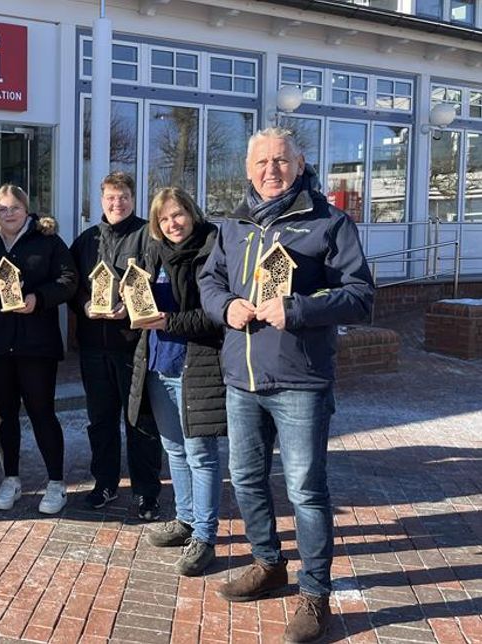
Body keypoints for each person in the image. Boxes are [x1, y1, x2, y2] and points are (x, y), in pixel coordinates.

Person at [198, 127, 374, 644]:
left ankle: (315, 592)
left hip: (301, 381)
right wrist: (226, 307)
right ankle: (268, 563)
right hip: (242, 379)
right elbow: (210, 282)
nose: (270, 170)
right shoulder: (233, 225)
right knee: (247, 480)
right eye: (261, 163)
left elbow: (361, 295)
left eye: (281, 161)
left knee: (305, 491)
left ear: (299, 165)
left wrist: (298, 309)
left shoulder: (330, 223)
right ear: (248, 170)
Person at [128, 187, 226, 577]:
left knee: (201, 454)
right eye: (164, 219)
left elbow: (216, 313)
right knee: (175, 450)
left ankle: (204, 536)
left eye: (178, 214)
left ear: (192, 211)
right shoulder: (154, 254)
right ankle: (185, 520)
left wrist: (170, 322)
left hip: (195, 365)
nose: (172, 224)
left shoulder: (212, 251)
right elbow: (144, 304)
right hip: (158, 363)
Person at [0, 185, 78, 515]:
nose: (9, 214)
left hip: (36, 343)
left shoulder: (47, 241)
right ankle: (11, 479)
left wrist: (38, 299)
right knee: (4, 413)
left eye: (15, 207)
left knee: (41, 410)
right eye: (2, 209)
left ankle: (57, 483)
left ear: (26, 209)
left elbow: (69, 279)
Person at [69, 171, 163, 520]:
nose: (116, 203)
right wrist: (84, 306)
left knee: (139, 420)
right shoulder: (86, 240)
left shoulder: (148, 236)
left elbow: (157, 282)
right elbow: (73, 285)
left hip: (133, 344)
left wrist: (134, 306)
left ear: (133, 198)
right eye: (110, 197)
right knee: (101, 420)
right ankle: (105, 484)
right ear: (101, 199)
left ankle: (147, 492)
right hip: (94, 346)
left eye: (123, 196)